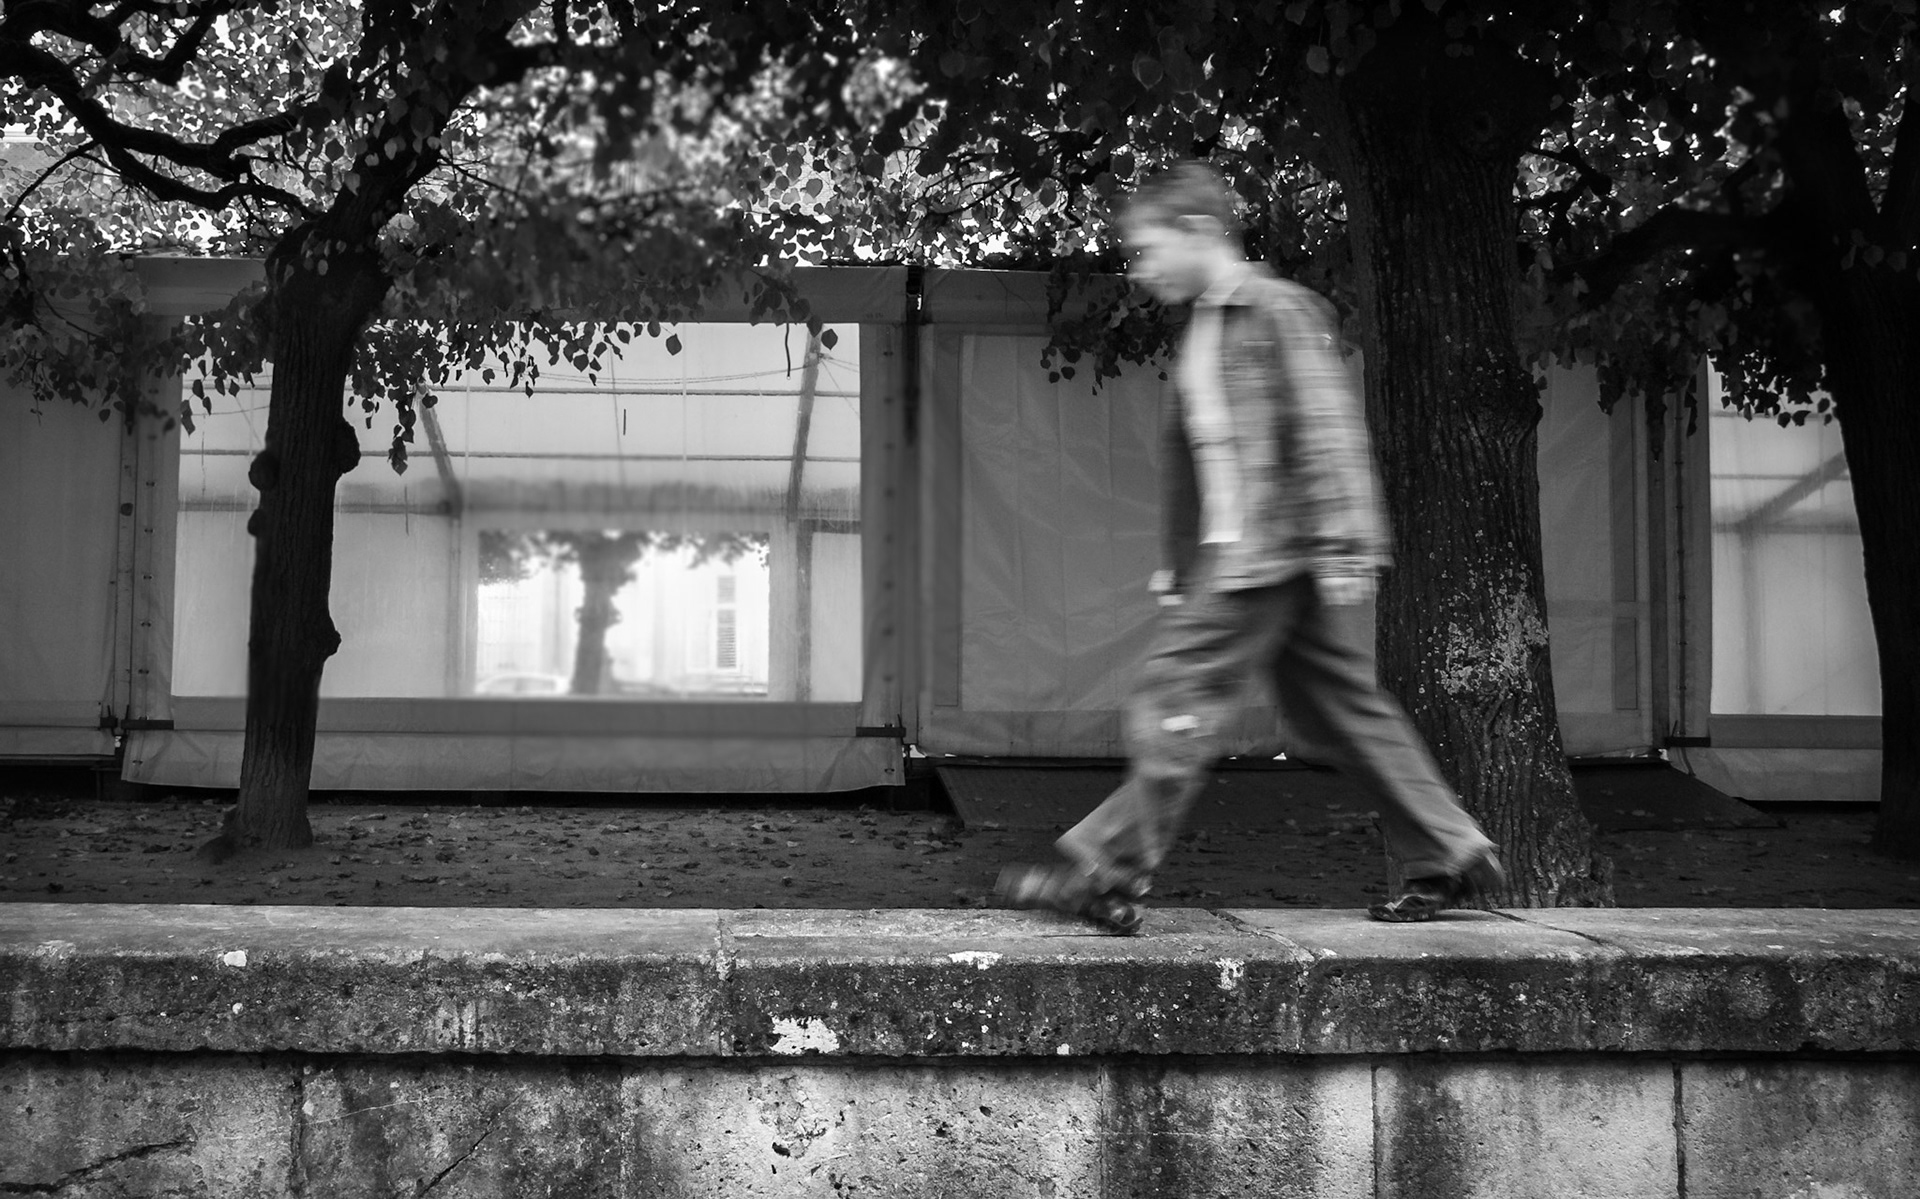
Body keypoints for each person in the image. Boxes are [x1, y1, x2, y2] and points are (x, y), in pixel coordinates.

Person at [993, 161, 1504, 933]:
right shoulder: (1206, 324)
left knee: (1174, 694)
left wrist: (1343, 543)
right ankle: (1453, 847)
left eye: (1150, 247)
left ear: (1200, 232)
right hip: (1248, 555)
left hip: (1267, 553)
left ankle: (1109, 868)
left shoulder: (1273, 309)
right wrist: (1176, 558)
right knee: (1333, 709)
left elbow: (1328, 425)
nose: (1142, 268)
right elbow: (1196, 451)